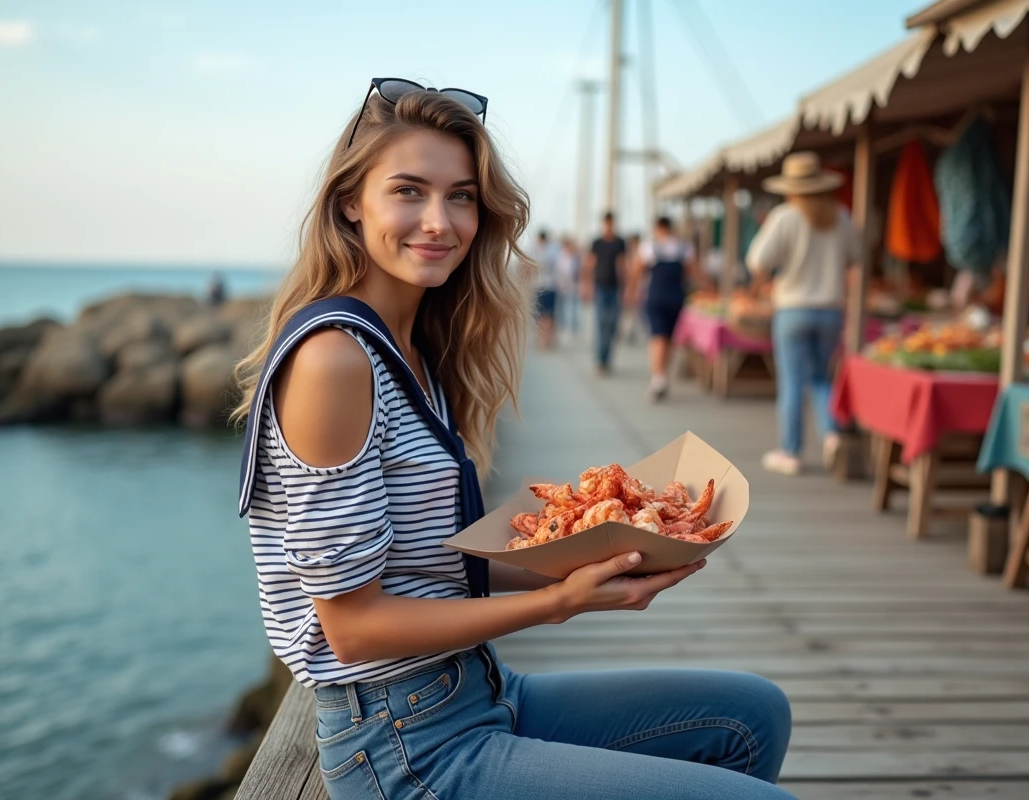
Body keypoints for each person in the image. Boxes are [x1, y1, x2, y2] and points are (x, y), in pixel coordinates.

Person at [231, 80, 795, 800]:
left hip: (476, 689)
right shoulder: (333, 359)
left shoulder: (410, 348)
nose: (440, 221)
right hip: (404, 749)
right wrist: (561, 602)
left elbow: (425, 562)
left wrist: (609, 557)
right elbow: (354, 629)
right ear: (350, 203)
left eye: (462, 196)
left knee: (753, 716)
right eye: (409, 191)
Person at [746, 152, 856, 477]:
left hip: (793, 310)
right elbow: (856, 258)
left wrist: (770, 283)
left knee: (792, 381)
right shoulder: (841, 216)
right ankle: (832, 434)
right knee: (821, 378)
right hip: (831, 311)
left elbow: (757, 260)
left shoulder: (786, 216)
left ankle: (791, 451)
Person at [630, 216, 704, 402]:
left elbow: (636, 270)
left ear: (657, 228)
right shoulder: (684, 247)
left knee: (657, 337)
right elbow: (694, 272)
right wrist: (709, 288)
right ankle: (661, 376)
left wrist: (631, 291)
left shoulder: (649, 246)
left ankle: (658, 376)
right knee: (668, 340)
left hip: (656, 297)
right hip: (676, 297)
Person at [582, 212, 628, 375]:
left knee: (613, 324)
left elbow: (623, 266)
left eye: (611, 223)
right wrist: (586, 286)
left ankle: (607, 358)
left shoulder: (620, 243)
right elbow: (589, 265)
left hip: (615, 288)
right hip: (600, 287)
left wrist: (626, 289)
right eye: (606, 224)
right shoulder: (597, 243)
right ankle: (601, 360)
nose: (608, 226)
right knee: (600, 324)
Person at [530, 229, 560, 349]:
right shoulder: (552, 251)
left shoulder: (538, 251)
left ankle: (545, 339)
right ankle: (546, 339)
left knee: (544, 315)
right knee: (545, 315)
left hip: (545, 286)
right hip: (545, 286)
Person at [556, 235, 583, 339]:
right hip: (562, 286)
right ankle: (566, 327)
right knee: (564, 308)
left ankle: (573, 328)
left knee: (572, 308)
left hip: (573, 286)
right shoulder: (561, 256)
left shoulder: (576, 257)